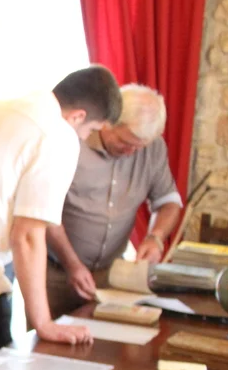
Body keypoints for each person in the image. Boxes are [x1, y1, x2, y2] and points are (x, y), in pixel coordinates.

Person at [0, 65, 123, 365]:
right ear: (78, 116)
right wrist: (43, 323)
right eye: (91, 131)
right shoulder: (57, 134)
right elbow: (28, 236)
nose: (85, 139)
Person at [47, 84, 183, 319]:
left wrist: (155, 237)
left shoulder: (153, 148)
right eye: (125, 142)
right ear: (108, 123)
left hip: (111, 276)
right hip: (56, 274)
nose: (131, 152)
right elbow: (45, 213)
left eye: (139, 147)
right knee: (50, 340)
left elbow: (169, 201)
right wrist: (72, 264)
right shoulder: (70, 141)